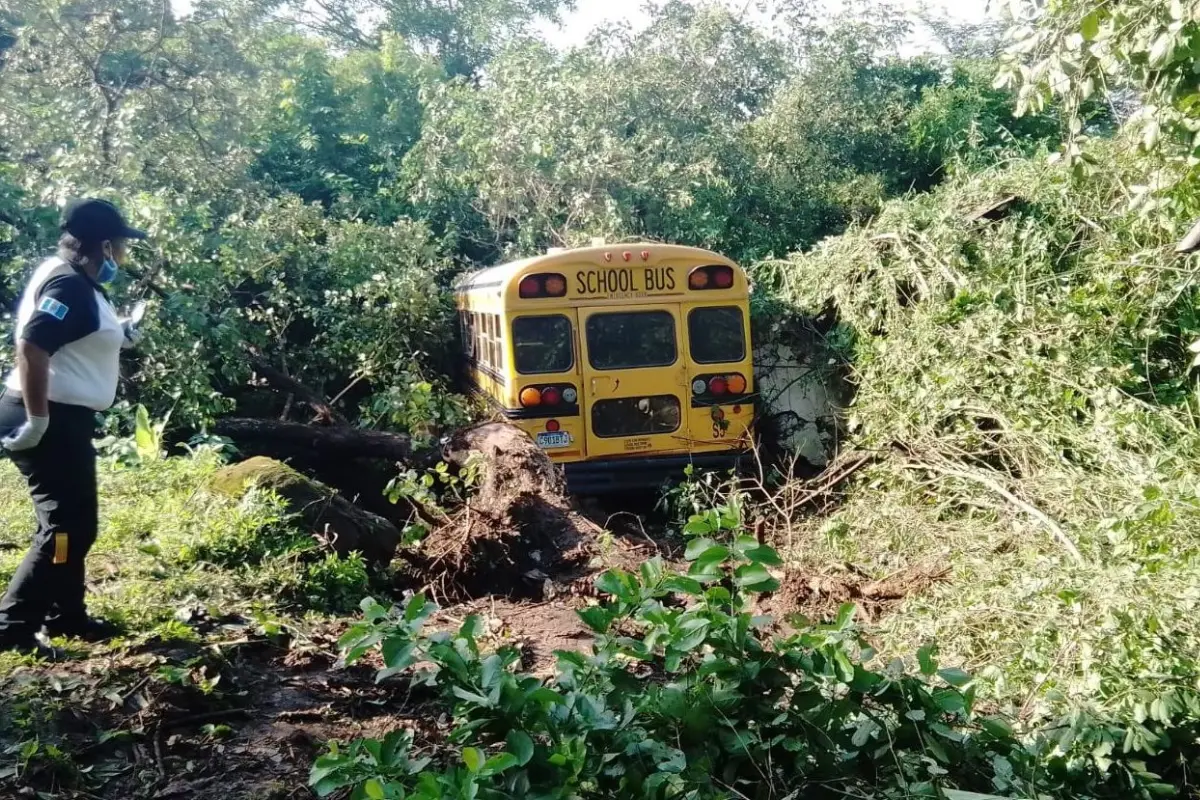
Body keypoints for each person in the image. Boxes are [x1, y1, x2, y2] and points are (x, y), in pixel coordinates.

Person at [0, 198, 146, 657]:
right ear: (104, 244)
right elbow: (33, 345)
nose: (123, 255)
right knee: (67, 528)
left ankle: (67, 616)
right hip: (49, 416)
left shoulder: (72, 277)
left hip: (62, 416)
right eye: (121, 245)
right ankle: (14, 625)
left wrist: (121, 331)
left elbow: (73, 337)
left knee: (71, 523)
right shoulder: (70, 286)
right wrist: (39, 418)